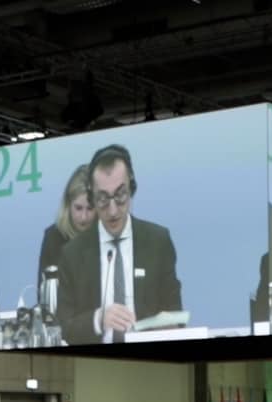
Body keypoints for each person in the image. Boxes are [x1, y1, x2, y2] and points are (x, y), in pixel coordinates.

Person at [57, 144, 183, 345]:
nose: (113, 210)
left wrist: (169, 324)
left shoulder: (158, 241)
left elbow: (176, 313)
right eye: (103, 199)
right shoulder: (72, 254)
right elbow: (63, 327)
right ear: (92, 197)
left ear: (131, 189)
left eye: (120, 195)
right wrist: (98, 319)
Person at [38, 163, 95, 281]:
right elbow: (44, 288)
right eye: (78, 208)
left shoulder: (107, 234)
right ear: (68, 205)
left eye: (90, 209)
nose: (84, 217)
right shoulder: (53, 237)